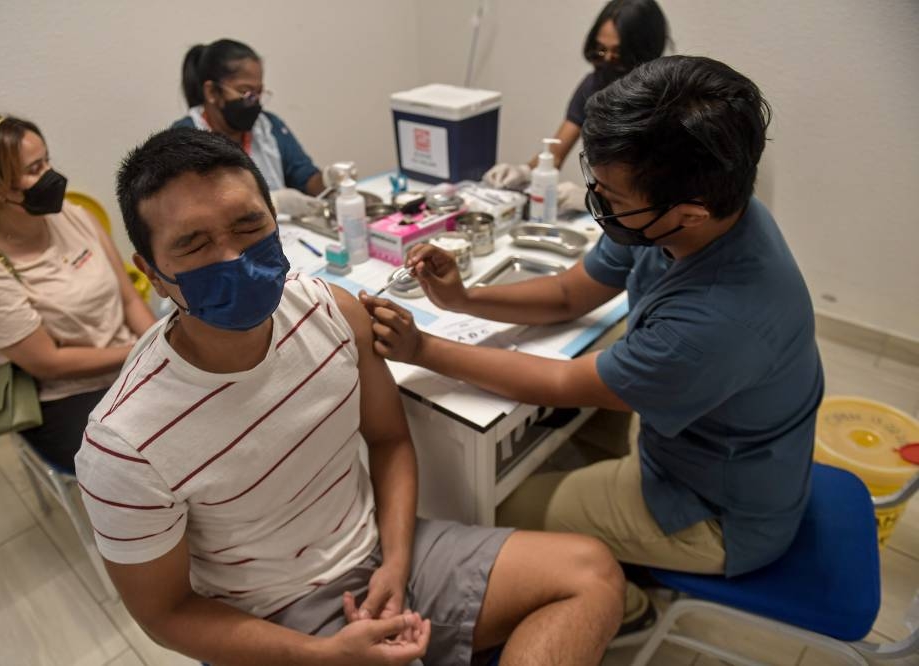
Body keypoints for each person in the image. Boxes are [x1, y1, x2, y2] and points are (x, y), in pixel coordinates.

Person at [74, 126, 624, 665]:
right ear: (151, 272)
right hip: (270, 617)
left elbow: (388, 442)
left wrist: (397, 562)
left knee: (591, 573)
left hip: (383, 550)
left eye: (248, 226)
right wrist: (321, 655)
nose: (232, 256)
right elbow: (166, 615)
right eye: (193, 243)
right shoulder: (126, 443)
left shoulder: (330, 312)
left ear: (275, 218)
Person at [362, 55, 823, 588]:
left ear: (688, 212)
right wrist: (464, 299)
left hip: (717, 511)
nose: (598, 202)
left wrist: (422, 350)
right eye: (597, 184)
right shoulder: (702, 216)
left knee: (486, 511)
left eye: (614, 198)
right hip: (696, 450)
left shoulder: (718, 320)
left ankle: (622, 604)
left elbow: (563, 383)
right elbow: (567, 294)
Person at [0, 115, 155, 471]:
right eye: (34, 169)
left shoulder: (75, 217)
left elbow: (128, 299)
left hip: (131, 360)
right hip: (67, 395)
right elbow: (48, 362)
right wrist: (141, 352)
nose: (50, 175)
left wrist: (157, 344)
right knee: (145, 462)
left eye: (46, 160)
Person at [483, 0, 669, 214]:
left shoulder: (667, 100)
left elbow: (661, 195)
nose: (607, 60)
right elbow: (556, 152)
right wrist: (525, 171)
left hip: (645, 221)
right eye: (601, 51)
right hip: (608, 219)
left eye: (618, 54)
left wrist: (591, 199)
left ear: (645, 51)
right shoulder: (594, 84)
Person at [173, 38, 344, 219]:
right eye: (246, 92)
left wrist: (328, 179)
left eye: (258, 93)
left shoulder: (269, 127)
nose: (255, 102)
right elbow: (197, 215)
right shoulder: (184, 141)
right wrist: (274, 203)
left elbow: (305, 179)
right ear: (212, 92)